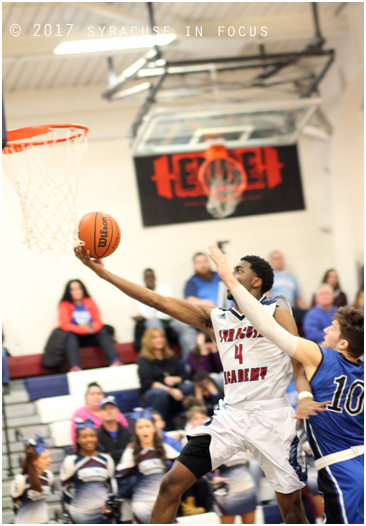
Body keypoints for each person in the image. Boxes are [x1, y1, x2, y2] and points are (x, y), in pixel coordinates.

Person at [74, 246, 311, 524]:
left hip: (272, 416)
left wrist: (304, 393)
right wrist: (100, 272)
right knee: (170, 484)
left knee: (292, 510)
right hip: (231, 416)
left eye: (239, 271)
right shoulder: (217, 318)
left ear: (256, 282)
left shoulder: (276, 308)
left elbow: (299, 361)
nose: (229, 276)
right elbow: (156, 300)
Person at [209, 244, 364, 525]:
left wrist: (230, 279)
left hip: (341, 467)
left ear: (342, 343)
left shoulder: (321, 357)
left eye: (333, 328)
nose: (325, 329)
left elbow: (267, 327)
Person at [115, 409, 180, 523]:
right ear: (136, 431)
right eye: (140, 427)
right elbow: (120, 475)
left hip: (164, 503)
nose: (144, 430)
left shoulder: (163, 448)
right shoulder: (131, 452)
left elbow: (183, 463)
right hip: (142, 504)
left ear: (154, 429)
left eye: (147, 426)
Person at [61, 417, 118, 524]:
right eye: (84, 437)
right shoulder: (71, 461)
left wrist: (108, 503)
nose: (89, 440)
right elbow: (65, 489)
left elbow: (112, 486)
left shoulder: (106, 459)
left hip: (103, 513)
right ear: (77, 439)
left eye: (92, 436)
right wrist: (74, 509)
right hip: (80, 515)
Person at [59, 279, 121, 371]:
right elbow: (64, 325)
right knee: (69, 336)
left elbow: (98, 320)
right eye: (73, 289)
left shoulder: (89, 301)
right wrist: (84, 330)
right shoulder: (64, 305)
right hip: (77, 338)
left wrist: (93, 328)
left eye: (78, 288)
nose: (76, 292)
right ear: (69, 292)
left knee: (103, 331)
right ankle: (75, 367)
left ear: (83, 290)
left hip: (92, 334)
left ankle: (115, 361)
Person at [133, 268, 197, 357]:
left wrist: (155, 306)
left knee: (185, 326)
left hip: (169, 319)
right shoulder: (139, 291)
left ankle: (189, 361)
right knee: (154, 323)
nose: (149, 279)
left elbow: (170, 308)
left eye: (151, 277)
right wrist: (159, 305)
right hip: (154, 321)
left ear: (155, 278)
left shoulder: (165, 288)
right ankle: (165, 357)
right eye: (147, 277)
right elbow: (146, 314)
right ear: (144, 279)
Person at [137, 327, 192, 427]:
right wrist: (170, 390)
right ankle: (160, 426)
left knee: (189, 387)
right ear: (148, 341)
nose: (159, 340)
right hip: (153, 394)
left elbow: (183, 376)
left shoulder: (171, 356)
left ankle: (188, 422)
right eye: (155, 338)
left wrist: (175, 379)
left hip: (174, 391)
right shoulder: (144, 359)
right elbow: (148, 383)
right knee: (160, 393)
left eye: (161, 337)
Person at [71, 382, 129, 450]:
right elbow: (76, 437)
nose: (96, 397)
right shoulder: (79, 414)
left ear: (103, 396)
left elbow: (126, 430)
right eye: (92, 394)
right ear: (86, 397)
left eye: (99, 394)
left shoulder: (115, 412)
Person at [11, 435, 53, 524]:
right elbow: (15, 505)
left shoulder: (48, 476)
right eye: (45, 458)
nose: (50, 460)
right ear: (34, 461)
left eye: (49, 456)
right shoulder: (21, 480)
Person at [268, 250, 308, 327]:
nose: (279, 261)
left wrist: (308, 312)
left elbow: (298, 298)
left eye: (280, 258)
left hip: (291, 309)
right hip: (276, 309)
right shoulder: (268, 276)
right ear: (270, 262)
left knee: (308, 315)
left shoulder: (291, 277)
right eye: (276, 259)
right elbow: (266, 294)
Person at [97, 396, 131, 466]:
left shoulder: (128, 432)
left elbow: (132, 453)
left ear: (117, 411)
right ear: (99, 413)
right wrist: (124, 452)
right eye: (104, 409)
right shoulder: (96, 435)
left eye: (112, 408)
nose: (109, 411)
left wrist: (111, 454)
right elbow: (102, 458)